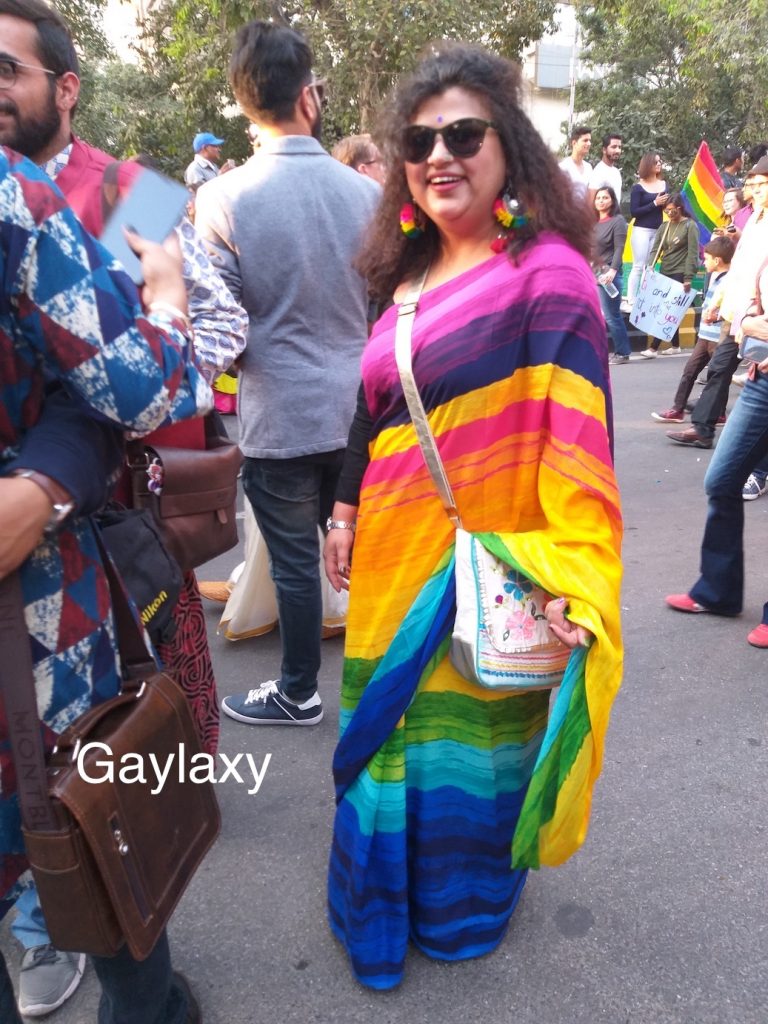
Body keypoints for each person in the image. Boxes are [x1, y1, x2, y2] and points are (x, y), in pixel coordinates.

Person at [322, 41, 623, 991]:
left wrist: (576, 577)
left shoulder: (549, 277)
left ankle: (457, 915)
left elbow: (581, 447)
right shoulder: (403, 277)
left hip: (488, 574)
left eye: (463, 133)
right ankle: (375, 910)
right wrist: (340, 508)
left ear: (510, 150)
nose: (438, 154)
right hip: (388, 565)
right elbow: (373, 411)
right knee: (386, 745)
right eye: (420, 140)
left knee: (467, 753)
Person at [0, 0, 245, 1006]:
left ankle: (88, 912)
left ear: (64, 88)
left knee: (118, 755)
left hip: (117, 528)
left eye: (9, 71)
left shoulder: (126, 193)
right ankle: (39, 916)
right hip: (57, 514)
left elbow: (214, 325)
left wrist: (159, 315)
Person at [194, 20, 379, 726]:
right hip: (361, 407)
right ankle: (382, 691)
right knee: (367, 546)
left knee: (297, 561)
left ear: (245, 106)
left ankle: (299, 690)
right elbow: (384, 306)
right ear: (309, 97)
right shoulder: (365, 195)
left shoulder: (223, 198)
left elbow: (220, 324)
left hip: (279, 413)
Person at [665, 258, 768, 649]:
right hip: (761, 380)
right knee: (722, 479)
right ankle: (718, 592)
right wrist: (746, 321)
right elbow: (745, 305)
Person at [666, 157, 768, 449]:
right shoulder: (754, 220)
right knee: (721, 368)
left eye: (762, 184)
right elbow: (739, 268)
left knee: (731, 371)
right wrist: (718, 301)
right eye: (753, 184)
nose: (756, 189)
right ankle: (704, 427)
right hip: (739, 312)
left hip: (759, 313)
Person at [651, 234, 734, 422]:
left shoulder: (730, 280)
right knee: (690, 371)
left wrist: (717, 316)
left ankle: (719, 413)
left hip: (719, 336)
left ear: (717, 260)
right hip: (705, 335)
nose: (704, 262)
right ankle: (677, 409)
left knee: (718, 376)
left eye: (706, 259)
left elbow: (731, 306)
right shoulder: (714, 277)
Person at [639, 193, 699, 358]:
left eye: (672, 210)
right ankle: (676, 346)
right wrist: (650, 267)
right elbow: (655, 249)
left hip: (680, 273)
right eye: (666, 210)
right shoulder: (664, 227)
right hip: (664, 272)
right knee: (669, 310)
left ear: (679, 208)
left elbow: (692, 254)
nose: (669, 213)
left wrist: (688, 277)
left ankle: (653, 348)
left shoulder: (690, 226)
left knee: (666, 310)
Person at [593, 185, 632, 363]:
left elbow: (619, 249)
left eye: (605, 198)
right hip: (592, 272)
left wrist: (612, 271)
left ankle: (623, 352)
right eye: (598, 198)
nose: (601, 201)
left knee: (611, 315)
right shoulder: (592, 223)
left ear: (612, 200)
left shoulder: (617, 221)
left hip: (609, 274)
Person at [625, 151, 668, 310]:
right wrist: (654, 204)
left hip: (658, 229)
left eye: (660, 161)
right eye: (655, 162)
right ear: (647, 165)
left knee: (650, 267)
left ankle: (645, 296)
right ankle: (631, 298)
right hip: (641, 230)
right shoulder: (638, 187)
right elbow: (634, 212)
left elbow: (666, 205)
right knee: (638, 265)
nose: (659, 164)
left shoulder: (663, 184)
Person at [587, 132, 623, 204]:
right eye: (613, 147)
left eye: (619, 147)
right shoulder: (599, 172)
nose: (617, 151)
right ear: (604, 150)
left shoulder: (616, 171)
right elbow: (591, 203)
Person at [558, 123, 592, 198]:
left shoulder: (588, 167)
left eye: (589, 140)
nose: (589, 143)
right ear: (574, 143)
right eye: (585, 140)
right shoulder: (563, 167)